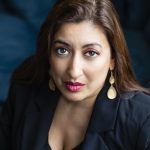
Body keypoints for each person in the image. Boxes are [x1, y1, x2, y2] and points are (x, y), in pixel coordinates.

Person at [0, 0, 150, 149]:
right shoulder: (25, 86)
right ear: (48, 53)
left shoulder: (143, 119)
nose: (74, 71)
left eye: (91, 53)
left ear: (113, 59)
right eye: (62, 50)